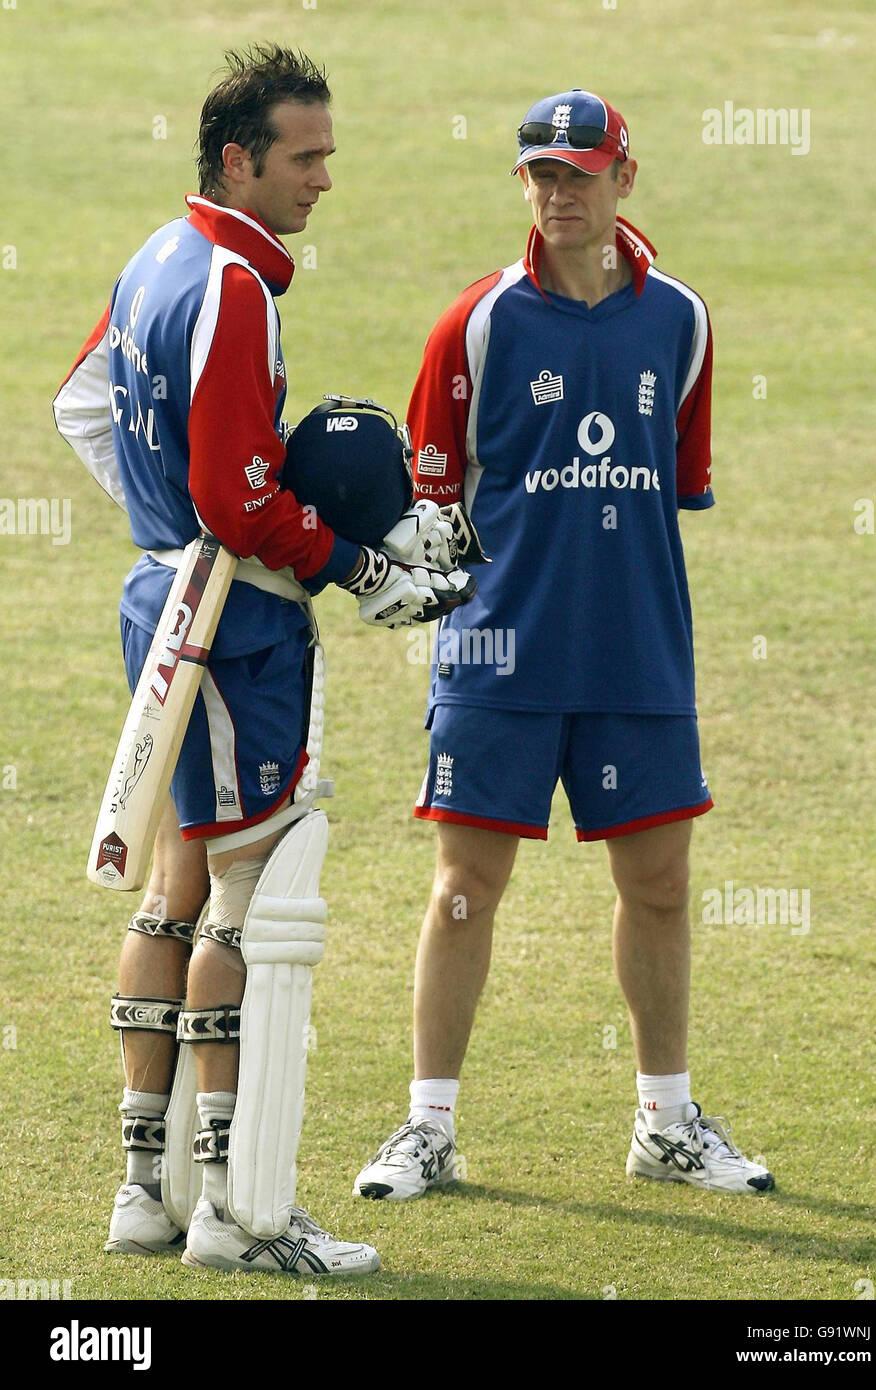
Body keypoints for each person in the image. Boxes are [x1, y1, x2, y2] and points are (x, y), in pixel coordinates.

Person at [53, 44, 471, 1278]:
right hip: (234, 615)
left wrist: (156, 526)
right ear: (239, 159)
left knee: (173, 885)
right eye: (305, 156)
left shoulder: (152, 258)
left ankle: (147, 1193)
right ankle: (241, 1210)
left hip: (162, 601)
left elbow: (83, 407)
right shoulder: (232, 283)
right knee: (253, 895)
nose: (323, 179)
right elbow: (239, 501)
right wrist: (355, 565)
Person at [353, 88, 774, 1200]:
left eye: (579, 174)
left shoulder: (679, 320)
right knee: (463, 889)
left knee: (664, 886)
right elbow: (426, 505)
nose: (558, 193)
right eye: (540, 174)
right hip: (500, 655)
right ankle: (428, 1128)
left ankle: (667, 1122)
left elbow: (676, 487)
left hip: (639, 651)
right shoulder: (476, 324)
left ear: (624, 179)